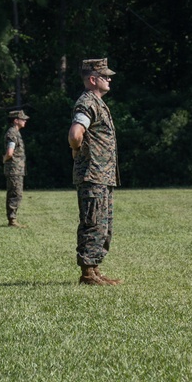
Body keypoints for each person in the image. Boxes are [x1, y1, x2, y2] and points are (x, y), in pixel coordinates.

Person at [68, 58, 122, 286]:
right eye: (105, 76)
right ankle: (87, 274)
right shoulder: (87, 103)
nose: (109, 79)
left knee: (102, 224)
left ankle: (94, 269)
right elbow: (75, 134)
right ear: (92, 79)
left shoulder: (96, 102)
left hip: (101, 175)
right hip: (92, 174)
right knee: (92, 222)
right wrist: (77, 150)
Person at [2, 109, 30, 228]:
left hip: (16, 169)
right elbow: (9, 152)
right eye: (22, 119)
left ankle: (12, 218)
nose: (25, 121)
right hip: (14, 169)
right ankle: (12, 220)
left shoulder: (14, 132)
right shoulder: (12, 133)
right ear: (15, 120)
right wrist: (4, 159)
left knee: (15, 193)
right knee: (15, 193)